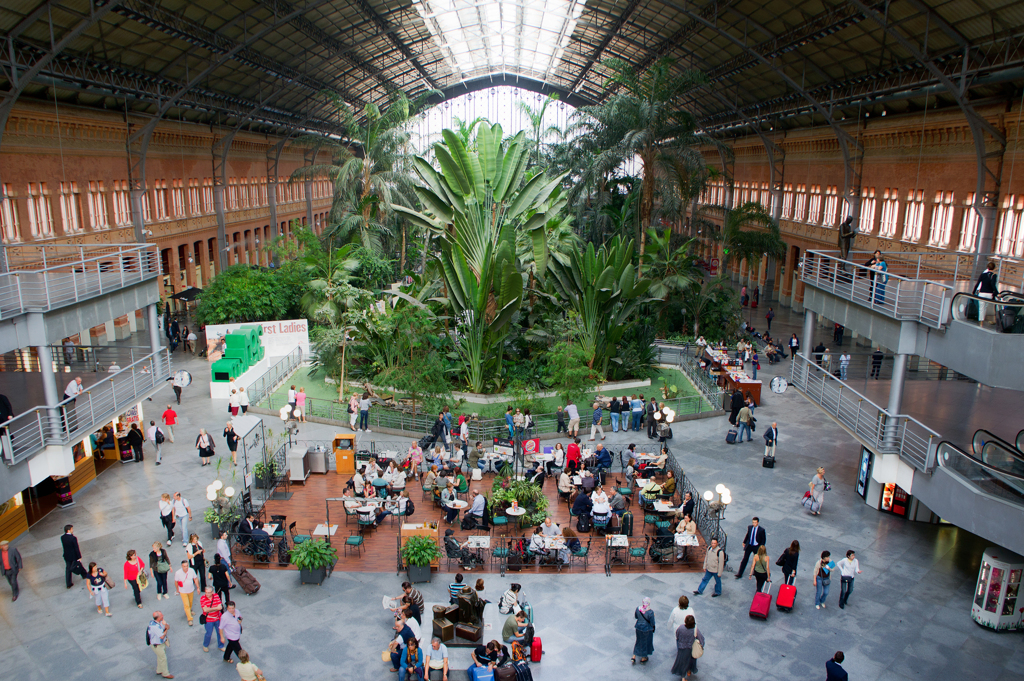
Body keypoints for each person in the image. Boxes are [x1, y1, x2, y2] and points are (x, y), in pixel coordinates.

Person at [670, 614, 705, 679]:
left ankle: (683, 676)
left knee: (683, 662)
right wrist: (702, 645)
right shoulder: (695, 630)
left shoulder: (681, 628)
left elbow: (677, 635)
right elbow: (701, 638)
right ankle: (689, 670)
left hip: (682, 648)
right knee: (691, 660)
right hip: (690, 648)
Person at [148, 611, 174, 678]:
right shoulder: (154, 626)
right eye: (161, 615)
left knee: (160, 657)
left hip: (161, 643)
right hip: (157, 645)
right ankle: (165, 673)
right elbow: (162, 636)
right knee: (163, 658)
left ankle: (159, 670)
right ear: (158, 618)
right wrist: (166, 630)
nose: (163, 615)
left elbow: (168, 627)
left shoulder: (160, 622)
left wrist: (165, 625)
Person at [62, 524, 88, 588]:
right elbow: (76, 548)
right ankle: (84, 574)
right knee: (78, 564)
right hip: (73, 555)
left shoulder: (62, 537)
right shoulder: (73, 538)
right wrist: (79, 556)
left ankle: (68, 583)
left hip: (66, 555)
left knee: (68, 569)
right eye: (71, 529)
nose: (72, 530)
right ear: (68, 530)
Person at [199, 586, 225, 652]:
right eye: (206, 592)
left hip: (217, 618)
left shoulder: (216, 596)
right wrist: (216, 608)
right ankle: (205, 645)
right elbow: (205, 609)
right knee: (208, 633)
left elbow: (220, 607)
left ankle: (220, 645)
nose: (207, 594)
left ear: (212, 592)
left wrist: (210, 609)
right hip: (209, 620)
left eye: (209, 593)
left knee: (219, 632)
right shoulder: (202, 598)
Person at [173, 559, 199, 625]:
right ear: (182, 566)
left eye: (187, 566)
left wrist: (198, 587)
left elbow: (195, 579)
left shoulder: (191, 570)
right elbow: (176, 582)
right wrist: (177, 589)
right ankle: (190, 619)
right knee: (186, 604)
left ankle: (189, 611)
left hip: (191, 589)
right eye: (184, 566)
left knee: (190, 602)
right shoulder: (178, 573)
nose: (186, 567)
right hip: (183, 591)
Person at [632, 597, 655, 665]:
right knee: (645, 642)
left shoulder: (638, 609)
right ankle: (643, 657)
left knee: (638, 640)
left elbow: (636, 617)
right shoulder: (650, 612)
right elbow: (652, 623)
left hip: (638, 627)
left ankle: (634, 655)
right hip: (646, 629)